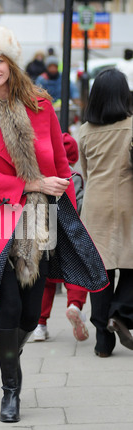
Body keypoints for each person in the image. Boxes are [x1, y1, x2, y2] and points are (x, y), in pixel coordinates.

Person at [0, 24, 109, 423]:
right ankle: (11, 390)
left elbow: (60, 164)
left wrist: (69, 220)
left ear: (10, 62)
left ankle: (12, 350)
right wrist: (31, 182)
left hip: (41, 220)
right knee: (7, 307)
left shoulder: (40, 104)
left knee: (29, 315)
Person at [78, 68, 133, 358]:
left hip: (95, 206)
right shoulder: (132, 127)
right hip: (128, 204)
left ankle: (103, 342)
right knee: (130, 265)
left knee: (101, 274)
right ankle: (120, 314)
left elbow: (85, 173)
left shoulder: (84, 132)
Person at [33, 133, 88, 342]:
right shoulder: (73, 177)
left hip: (43, 232)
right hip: (70, 232)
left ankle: (40, 325)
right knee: (76, 270)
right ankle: (74, 305)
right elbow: (81, 206)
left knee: (44, 279)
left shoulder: (40, 180)